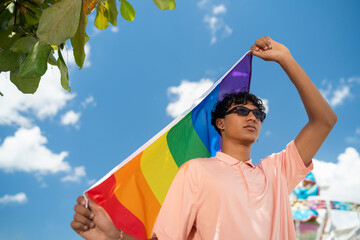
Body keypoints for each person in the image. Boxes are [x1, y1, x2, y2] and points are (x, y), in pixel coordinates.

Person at [71, 36, 337, 240]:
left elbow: (325, 121)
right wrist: (114, 236)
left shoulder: (277, 172)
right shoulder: (196, 171)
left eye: (258, 114)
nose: (252, 117)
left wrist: (286, 58)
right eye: (242, 111)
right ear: (220, 123)